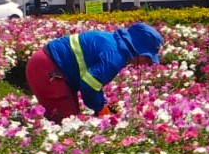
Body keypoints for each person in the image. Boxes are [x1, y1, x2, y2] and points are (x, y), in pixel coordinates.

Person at [26, 22, 163, 122]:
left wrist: (103, 104)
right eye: (147, 58)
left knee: (72, 119)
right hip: (47, 68)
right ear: (138, 50)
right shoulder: (115, 57)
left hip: (47, 64)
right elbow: (88, 85)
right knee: (66, 122)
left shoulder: (114, 44)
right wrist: (100, 108)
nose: (147, 63)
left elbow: (93, 82)